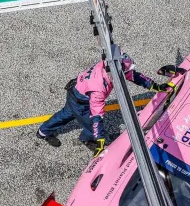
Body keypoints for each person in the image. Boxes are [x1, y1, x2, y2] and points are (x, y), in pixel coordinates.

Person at [36, 53, 174, 157]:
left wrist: (155, 86)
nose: (128, 73)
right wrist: (100, 138)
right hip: (82, 102)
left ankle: (43, 131)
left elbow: (133, 75)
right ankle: (87, 139)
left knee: (65, 114)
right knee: (90, 123)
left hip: (76, 91)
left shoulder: (110, 63)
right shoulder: (99, 88)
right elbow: (97, 116)